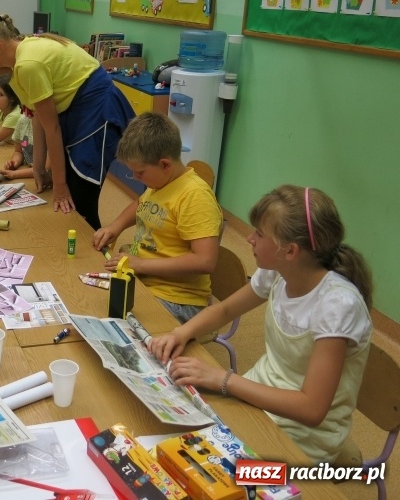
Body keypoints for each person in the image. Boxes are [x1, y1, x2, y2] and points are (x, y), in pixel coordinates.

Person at [148, 185, 373, 464]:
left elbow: (312, 409)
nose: (250, 238)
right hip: (257, 395)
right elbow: (226, 309)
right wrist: (181, 332)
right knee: (172, 426)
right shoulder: (278, 272)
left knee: (207, 468)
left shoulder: (338, 305)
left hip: (305, 433)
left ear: (290, 251)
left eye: (259, 234)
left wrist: (224, 379)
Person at [0, 13, 134, 229]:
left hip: (98, 110)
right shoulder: (17, 65)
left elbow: (51, 127)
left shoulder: (28, 64)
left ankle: (98, 254)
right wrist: (38, 168)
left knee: (80, 198)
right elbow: (37, 116)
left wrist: (60, 184)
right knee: (70, 194)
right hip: (76, 110)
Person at [93, 113, 222, 323]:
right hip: (143, 278)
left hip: (178, 299)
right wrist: (115, 226)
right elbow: (141, 204)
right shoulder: (160, 183)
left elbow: (205, 261)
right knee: (89, 301)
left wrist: (140, 265)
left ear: (165, 165)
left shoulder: (195, 196)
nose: (136, 178)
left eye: (140, 173)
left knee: (113, 324)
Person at [0, 113, 38, 180]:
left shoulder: (49, 124)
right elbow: (19, 151)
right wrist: (15, 162)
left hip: (39, 175)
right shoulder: (23, 121)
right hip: (28, 169)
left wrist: (15, 174)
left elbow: (45, 168)